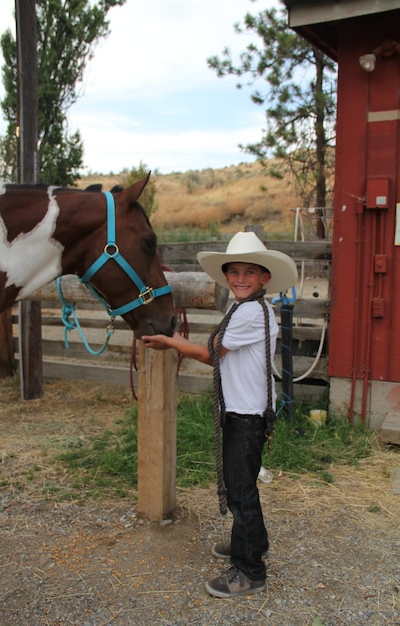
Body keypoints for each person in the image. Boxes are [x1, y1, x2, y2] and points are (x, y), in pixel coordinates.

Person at [142, 231, 297, 599]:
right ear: (226, 276)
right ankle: (251, 541)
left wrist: (170, 342)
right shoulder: (244, 308)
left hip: (246, 416)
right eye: (234, 272)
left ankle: (249, 570)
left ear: (264, 279)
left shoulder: (249, 313)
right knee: (238, 486)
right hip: (243, 411)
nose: (240, 279)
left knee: (241, 493)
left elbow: (211, 354)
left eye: (249, 273)